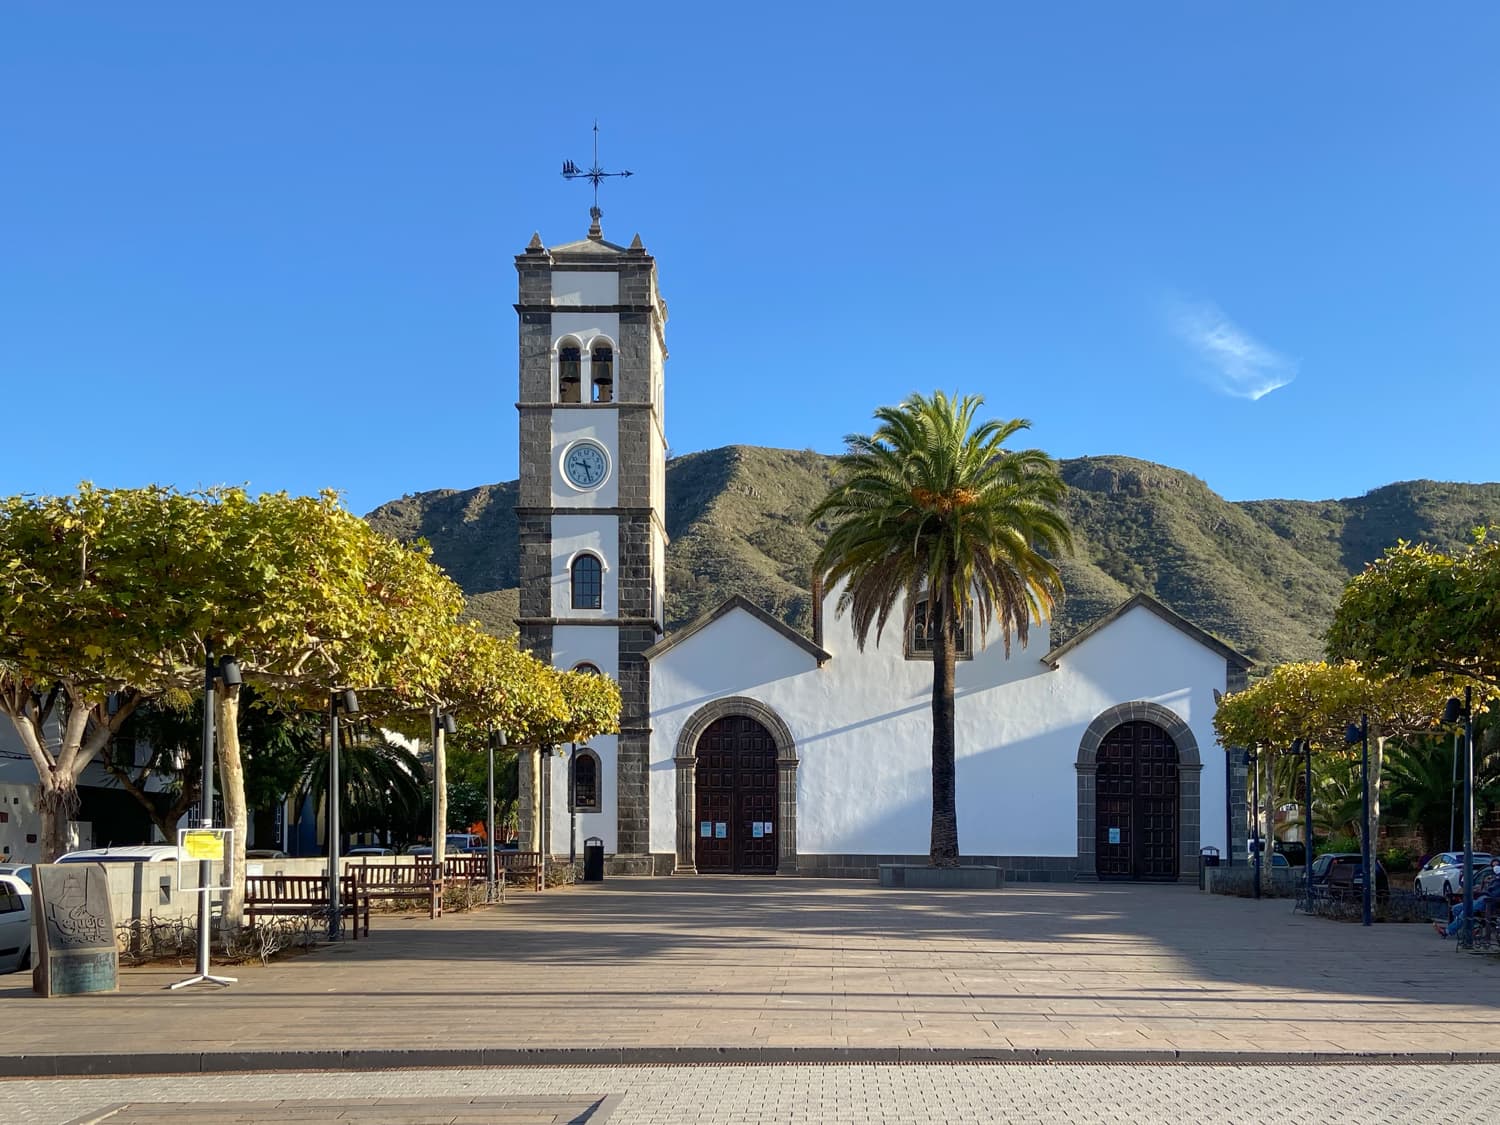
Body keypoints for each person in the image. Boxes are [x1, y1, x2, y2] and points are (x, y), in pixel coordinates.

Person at [1434, 859, 1500, 938]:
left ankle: (1447, 931)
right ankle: (1472, 928)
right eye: (1493, 866)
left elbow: (1495, 893)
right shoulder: (1492, 877)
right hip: (1482, 899)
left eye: (1497, 865)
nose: (1495, 867)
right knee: (1456, 908)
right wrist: (1484, 883)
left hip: (1489, 901)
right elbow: (1484, 890)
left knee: (1466, 910)